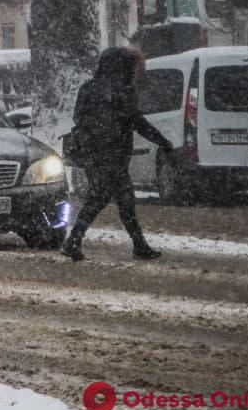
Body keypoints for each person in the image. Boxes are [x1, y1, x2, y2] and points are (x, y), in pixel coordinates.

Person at [62, 47, 174, 262]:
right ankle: (76, 241)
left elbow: (79, 118)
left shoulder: (88, 87)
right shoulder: (124, 89)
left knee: (111, 198)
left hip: (93, 154)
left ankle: (76, 240)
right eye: (132, 65)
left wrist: (98, 132)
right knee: (116, 198)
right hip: (113, 154)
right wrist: (162, 141)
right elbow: (136, 121)